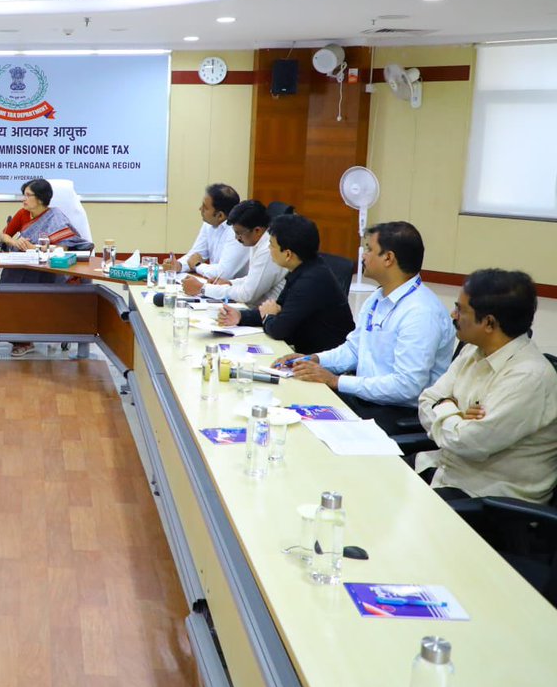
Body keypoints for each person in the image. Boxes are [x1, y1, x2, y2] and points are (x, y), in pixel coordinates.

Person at [275, 221, 455, 433]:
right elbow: (354, 350)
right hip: (365, 399)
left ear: (388, 258)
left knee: (306, 430)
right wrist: (314, 359)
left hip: (396, 413)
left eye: (369, 249)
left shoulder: (421, 313)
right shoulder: (378, 297)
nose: (362, 255)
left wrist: (335, 381)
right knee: (291, 403)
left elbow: (407, 387)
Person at [416, 270, 557, 503]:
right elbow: (426, 399)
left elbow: (468, 443)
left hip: (487, 500)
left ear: (489, 323)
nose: (453, 315)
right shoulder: (473, 349)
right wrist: (455, 414)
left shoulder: (529, 377)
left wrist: (445, 407)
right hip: (443, 470)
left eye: (460, 310)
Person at [218, 213, 354, 354]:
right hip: (306, 352)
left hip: (323, 362)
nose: (269, 249)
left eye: (271, 245)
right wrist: (240, 316)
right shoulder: (302, 268)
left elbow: (278, 329)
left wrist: (269, 316)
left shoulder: (310, 281)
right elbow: (278, 309)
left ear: (288, 254)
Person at [0, 178, 89, 357]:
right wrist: (14, 241)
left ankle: (35, 332)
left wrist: (36, 248)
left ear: (40, 199)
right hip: (23, 265)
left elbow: (64, 247)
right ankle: (20, 336)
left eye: (27, 195)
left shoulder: (56, 216)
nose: (23, 200)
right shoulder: (23, 213)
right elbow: (4, 235)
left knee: (35, 289)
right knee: (11, 285)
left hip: (47, 268)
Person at [184, 199, 285, 306]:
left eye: (239, 233)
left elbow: (247, 295)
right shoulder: (258, 241)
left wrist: (203, 289)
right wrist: (231, 283)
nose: (237, 238)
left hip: (268, 315)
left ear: (257, 230)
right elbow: (254, 278)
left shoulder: (268, 249)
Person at [161, 183, 248, 281]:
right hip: (215, 286)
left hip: (233, 291)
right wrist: (179, 265)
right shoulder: (209, 223)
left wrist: (198, 265)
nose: (200, 209)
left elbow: (223, 274)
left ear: (220, 216)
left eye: (205, 208)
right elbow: (196, 254)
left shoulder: (237, 233)